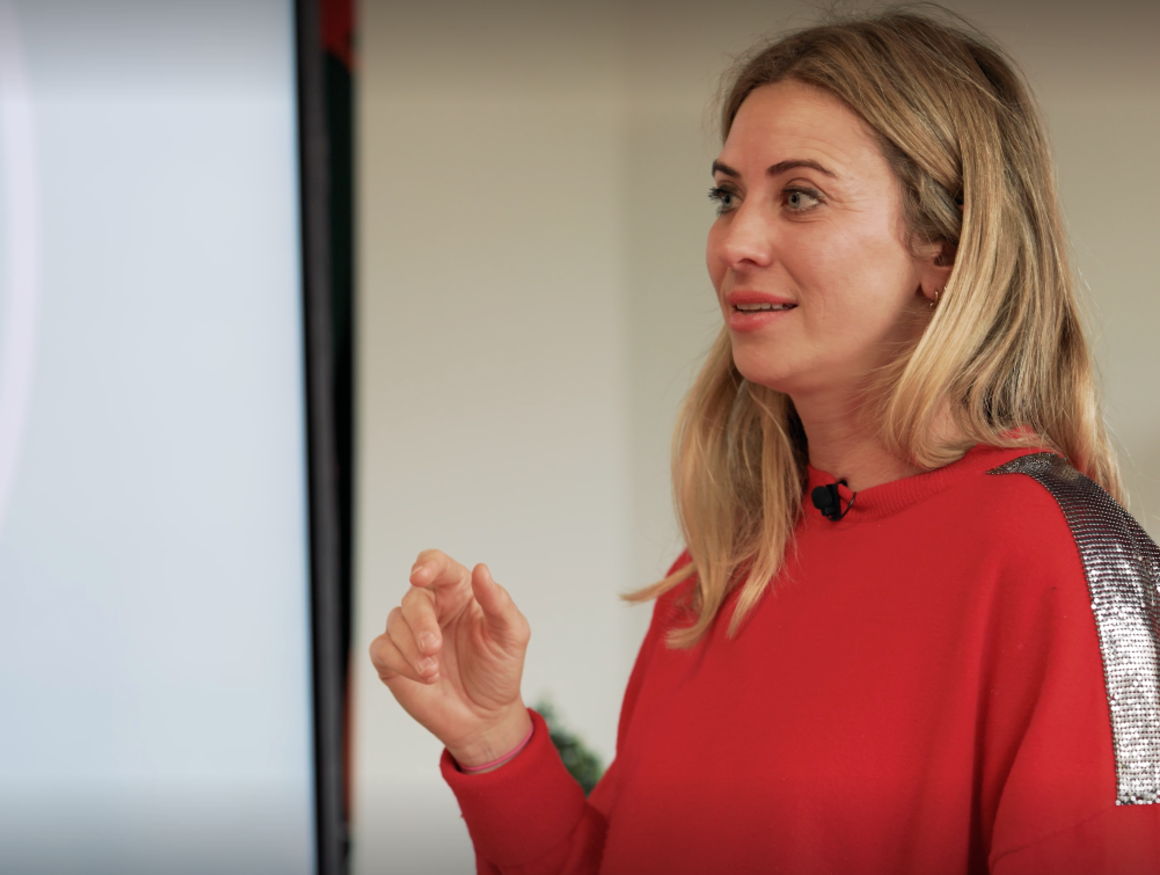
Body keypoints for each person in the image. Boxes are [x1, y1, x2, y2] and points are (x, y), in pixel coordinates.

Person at [368, 8, 1160, 875]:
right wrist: (494, 742)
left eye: (799, 196)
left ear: (945, 245)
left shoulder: (1063, 559)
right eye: (727, 196)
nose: (733, 242)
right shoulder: (723, 566)